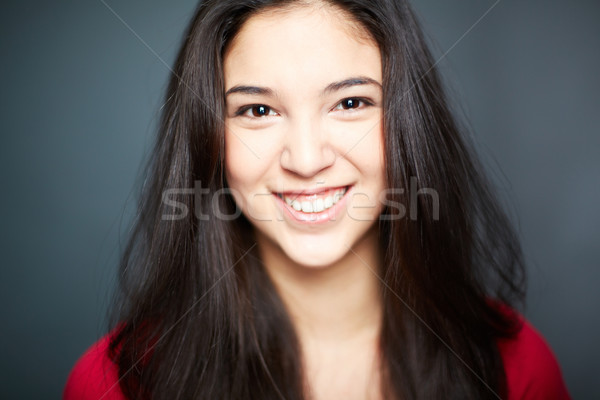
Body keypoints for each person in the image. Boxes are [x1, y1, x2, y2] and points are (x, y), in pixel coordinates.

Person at [64, 0, 571, 399]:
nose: (306, 160)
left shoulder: (513, 366)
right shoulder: (114, 383)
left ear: (408, 122)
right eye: (257, 110)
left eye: (350, 103)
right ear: (208, 140)